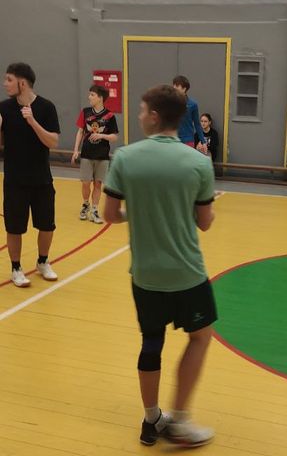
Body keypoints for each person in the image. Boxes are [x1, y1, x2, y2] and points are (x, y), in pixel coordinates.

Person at [103, 84, 216, 447]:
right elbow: (205, 222)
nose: (138, 116)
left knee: (151, 341)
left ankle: (151, 418)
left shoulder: (125, 158)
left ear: (154, 116)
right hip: (187, 273)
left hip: (146, 275)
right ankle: (180, 420)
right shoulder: (198, 162)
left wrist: (139, 211)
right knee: (200, 337)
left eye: (141, 110)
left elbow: (109, 214)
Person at [0, 62, 60, 288]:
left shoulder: (46, 107)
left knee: (47, 225)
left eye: (9, 79)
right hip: (14, 181)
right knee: (14, 227)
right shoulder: (4, 108)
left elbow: (52, 142)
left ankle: (43, 262)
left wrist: (32, 121)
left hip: (41, 179)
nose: (5, 84)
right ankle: (16, 268)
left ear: (22, 83)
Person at [71, 85, 118, 224]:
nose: (89, 97)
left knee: (98, 184)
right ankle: (86, 204)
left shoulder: (110, 115)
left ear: (100, 98)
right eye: (89, 94)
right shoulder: (85, 112)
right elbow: (80, 131)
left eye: (92, 95)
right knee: (86, 183)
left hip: (102, 155)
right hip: (87, 153)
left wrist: (101, 136)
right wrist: (75, 150)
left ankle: (95, 210)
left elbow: (114, 137)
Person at [172, 75, 207, 154]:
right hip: (173, 140)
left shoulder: (192, 104)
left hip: (187, 140)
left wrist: (203, 142)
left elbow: (197, 124)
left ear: (184, 89)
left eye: (177, 85)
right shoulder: (170, 103)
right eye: (173, 85)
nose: (174, 87)